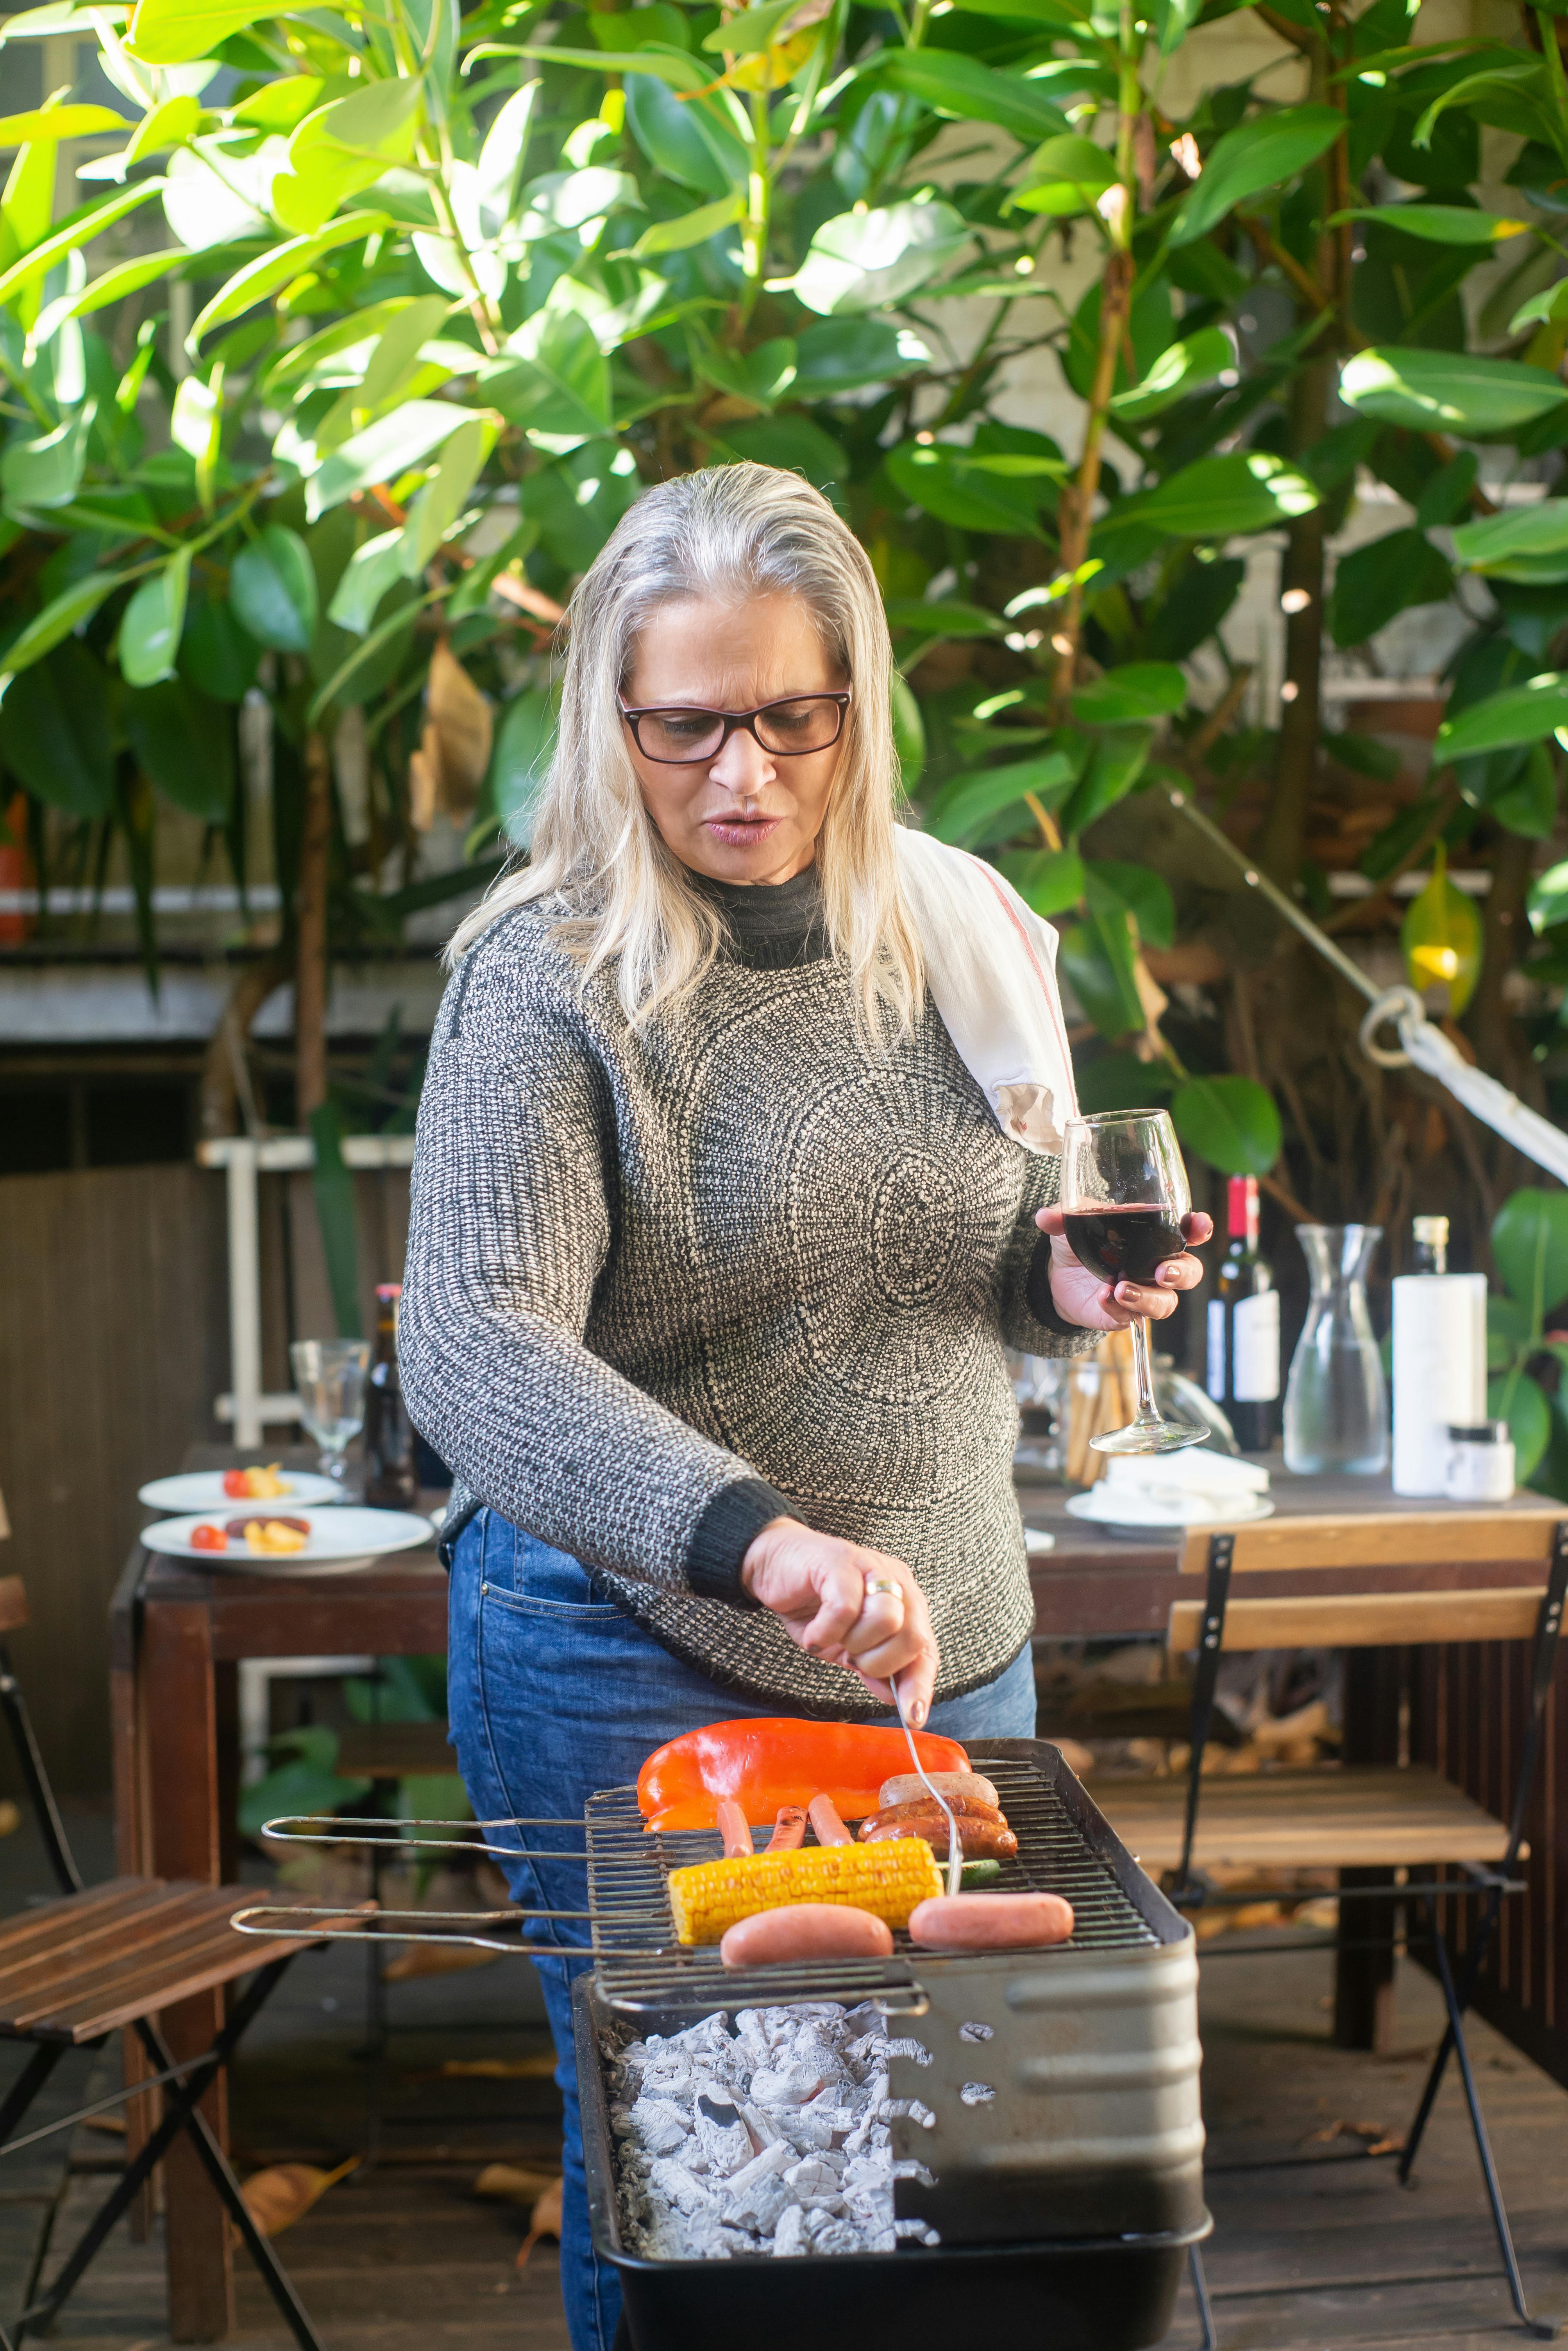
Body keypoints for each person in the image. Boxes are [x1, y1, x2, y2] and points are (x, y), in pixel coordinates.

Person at [399, 462, 1209, 2351]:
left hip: (947, 1652)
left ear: (856, 706)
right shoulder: (545, 979)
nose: (742, 773)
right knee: (708, 2196)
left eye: (791, 717)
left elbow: (998, 1233)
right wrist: (756, 1537)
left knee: (949, 2189)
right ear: (611, 721)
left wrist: (1066, 1280)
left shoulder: (946, 929)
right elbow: (477, 1347)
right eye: (685, 727)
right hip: (639, 1651)